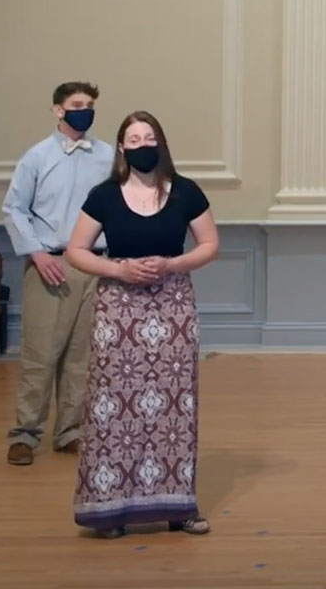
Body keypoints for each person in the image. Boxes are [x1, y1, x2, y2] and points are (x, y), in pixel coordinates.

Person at [63, 111, 221, 538]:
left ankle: (179, 507)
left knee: (174, 406)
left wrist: (172, 264)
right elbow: (77, 251)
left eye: (149, 137)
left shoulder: (186, 192)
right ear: (121, 148)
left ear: (161, 143)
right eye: (133, 139)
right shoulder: (105, 195)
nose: (142, 144)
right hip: (119, 311)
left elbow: (209, 245)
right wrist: (118, 271)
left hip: (173, 308)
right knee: (112, 407)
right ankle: (109, 509)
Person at [0, 81, 115, 467]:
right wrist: (36, 252)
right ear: (58, 110)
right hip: (48, 263)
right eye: (77, 104)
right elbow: (14, 208)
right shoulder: (36, 157)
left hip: (94, 263)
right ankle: (24, 435)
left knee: (82, 356)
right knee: (40, 354)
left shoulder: (108, 157)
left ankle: (70, 431)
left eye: (90, 105)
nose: (84, 110)